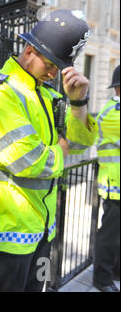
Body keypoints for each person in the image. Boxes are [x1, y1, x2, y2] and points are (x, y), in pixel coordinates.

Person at [0, 9, 98, 292]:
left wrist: (79, 102)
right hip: (11, 227)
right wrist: (62, 146)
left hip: (42, 225)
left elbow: (82, 142)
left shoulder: (46, 93)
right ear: (28, 51)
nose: (54, 73)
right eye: (50, 63)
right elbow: (30, 161)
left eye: (58, 66)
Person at [93, 65, 120, 292]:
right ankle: (102, 279)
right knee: (109, 236)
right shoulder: (113, 112)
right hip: (115, 187)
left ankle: (116, 271)